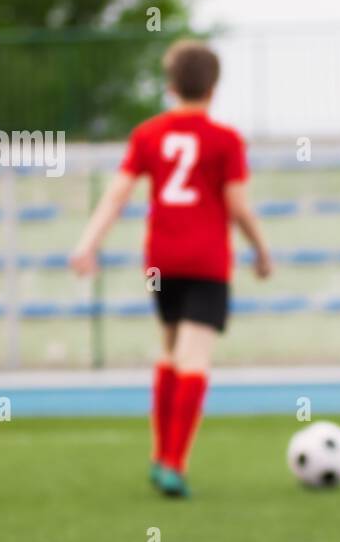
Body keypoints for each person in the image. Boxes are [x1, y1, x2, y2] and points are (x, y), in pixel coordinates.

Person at [70, 39, 271, 496]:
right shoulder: (224, 140)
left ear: (169, 85)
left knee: (169, 353)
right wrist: (261, 249)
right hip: (206, 261)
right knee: (193, 358)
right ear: (214, 87)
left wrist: (87, 245)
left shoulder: (148, 134)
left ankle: (161, 454)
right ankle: (174, 465)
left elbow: (117, 194)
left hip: (162, 260)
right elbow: (237, 205)